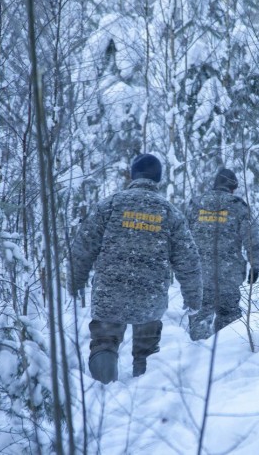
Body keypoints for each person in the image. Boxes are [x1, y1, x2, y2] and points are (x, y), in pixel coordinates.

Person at [68, 153, 202, 384]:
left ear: (133, 175)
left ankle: (104, 393)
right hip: (149, 294)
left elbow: (83, 248)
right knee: (147, 351)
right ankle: (144, 394)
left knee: (104, 343)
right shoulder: (169, 213)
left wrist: (75, 281)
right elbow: (188, 260)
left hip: (110, 291)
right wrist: (193, 298)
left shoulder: (109, 205)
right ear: (157, 178)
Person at [186, 168, 259, 340]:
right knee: (229, 320)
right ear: (233, 188)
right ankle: (225, 353)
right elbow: (252, 239)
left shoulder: (196, 205)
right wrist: (255, 265)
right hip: (228, 275)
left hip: (200, 275)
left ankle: (197, 355)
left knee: (200, 316)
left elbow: (183, 238)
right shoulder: (238, 207)